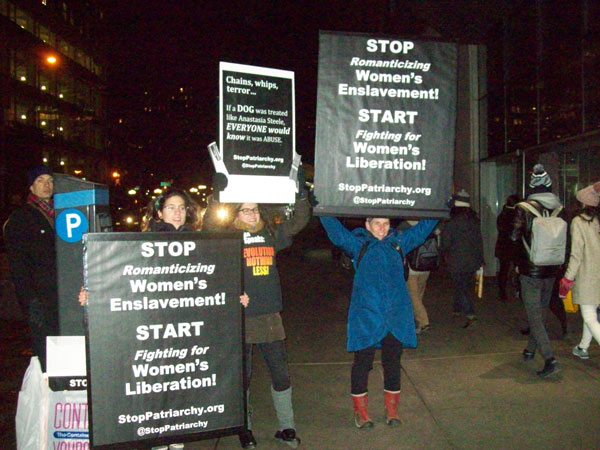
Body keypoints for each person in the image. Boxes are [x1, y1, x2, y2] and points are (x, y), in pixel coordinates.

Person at [203, 190, 310, 449]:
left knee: (280, 374)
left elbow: (299, 220)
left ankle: (287, 426)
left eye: (254, 209)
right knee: (244, 378)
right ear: (236, 212)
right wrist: (218, 195)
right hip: (240, 317)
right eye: (244, 209)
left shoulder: (271, 235)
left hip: (269, 316)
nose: (251, 214)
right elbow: (208, 227)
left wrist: (300, 190)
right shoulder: (228, 237)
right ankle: (245, 429)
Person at [320, 215, 437, 428]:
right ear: (367, 225)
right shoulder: (359, 244)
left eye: (385, 223)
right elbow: (337, 234)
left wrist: (439, 208)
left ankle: (392, 410)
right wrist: (322, 210)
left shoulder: (399, 242)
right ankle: (361, 412)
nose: (382, 229)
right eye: (377, 224)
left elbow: (421, 231)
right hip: (367, 316)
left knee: (392, 363)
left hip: (395, 316)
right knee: (362, 364)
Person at [511, 164, 566, 378]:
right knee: (540, 313)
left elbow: (514, 238)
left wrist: (517, 263)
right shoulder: (559, 208)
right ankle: (530, 349)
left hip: (531, 269)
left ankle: (550, 359)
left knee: (534, 315)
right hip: (551, 268)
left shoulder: (523, 208)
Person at [3, 165, 58, 372]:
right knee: (46, 356)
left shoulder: (60, 214)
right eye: (40, 181)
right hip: (40, 299)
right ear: (31, 187)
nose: (47, 185)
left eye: (50, 180)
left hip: (60, 297)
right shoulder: (21, 219)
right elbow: (19, 267)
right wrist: (30, 302)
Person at [559, 181, 600, 360]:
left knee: (589, 316)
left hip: (588, 275)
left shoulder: (579, 222)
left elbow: (576, 254)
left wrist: (567, 279)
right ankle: (583, 347)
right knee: (590, 312)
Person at [440, 190, 483, 327]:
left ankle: (469, 311)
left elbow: (445, 243)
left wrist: (443, 254)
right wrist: (481, 259)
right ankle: (456, 308)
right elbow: (479, 241)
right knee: (463, 285)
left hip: (456, 259)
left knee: (460, 286)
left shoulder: (451, 223)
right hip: (472, 259)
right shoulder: (474, 221)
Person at [399, 220, 439, 334]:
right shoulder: (426, 225)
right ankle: (417, 322)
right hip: (426, 264)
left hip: (412, 267)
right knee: (419, 294)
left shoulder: (404, 226)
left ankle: (424, 322)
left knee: (413, 297)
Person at [495, 194, 520, 302]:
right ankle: (518, 290)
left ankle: (502, 291)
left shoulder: (502, 215)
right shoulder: (516, 215)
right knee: (518, 269)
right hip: (514, 247)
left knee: (503, 270)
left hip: (503, 246)